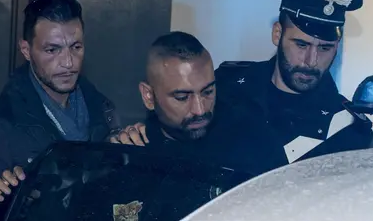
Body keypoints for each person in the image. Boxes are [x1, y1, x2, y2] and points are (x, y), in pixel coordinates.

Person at [0, 0, 119, 221]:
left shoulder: (103, 110)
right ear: (26, 49)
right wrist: (9, 202)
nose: (68, 62)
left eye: (76, 47)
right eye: (52, 50)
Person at [215, 0, 373, 165]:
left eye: (324, 48)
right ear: (277, 34)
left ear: (337, 47)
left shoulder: (347, 128)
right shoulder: (226, 86)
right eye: (301, 45)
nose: (311, 61)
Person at [109, 31, 287, 176]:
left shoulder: (252, 140)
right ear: (148, 96)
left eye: (208, 92)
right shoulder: (134, 151)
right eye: (182, 97)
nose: (200, 110)